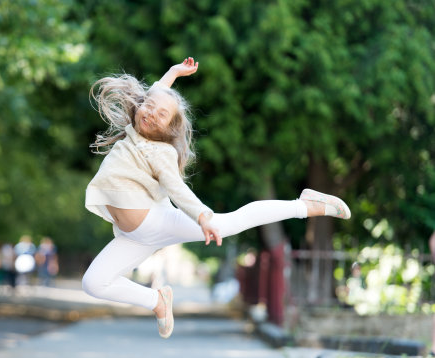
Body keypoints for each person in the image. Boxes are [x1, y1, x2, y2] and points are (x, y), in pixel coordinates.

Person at [82, 57, 351, 339]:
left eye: (161, 115)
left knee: (229, 224)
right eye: (148, 106)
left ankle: (304, 205)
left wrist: (202, 217)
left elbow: (177, 189)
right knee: (94, 283)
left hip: (158, 221)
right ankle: (157, 301)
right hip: (133, 237)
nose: (150, 113)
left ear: (168, 129)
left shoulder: (160, 152)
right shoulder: (133, 133)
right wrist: (173, 73)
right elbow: (157, 95)